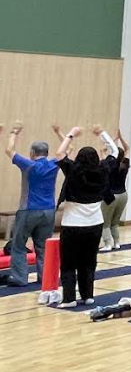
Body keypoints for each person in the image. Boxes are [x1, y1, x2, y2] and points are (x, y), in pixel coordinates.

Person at [0, 121, 69, 288]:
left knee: (18, 245)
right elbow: (67, 150)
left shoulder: (29, 165)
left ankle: (20, 277)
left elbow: (9, 150)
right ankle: (44, 276)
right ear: (47, 152)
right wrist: (60, 132)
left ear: (32, 153)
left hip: (28, 210)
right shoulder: (54, 164)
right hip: (48, 211)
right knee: (43, 246)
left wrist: (14, 133)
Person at [55, 128, 115, 307]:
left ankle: (69, 298)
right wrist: (103, 134)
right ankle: (88, 296)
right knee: (88, 262)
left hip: (72, 225)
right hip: (95, 224)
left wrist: (70, 134)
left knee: (68, 263)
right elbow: (115, 151)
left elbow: (59, 153)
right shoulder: (103, 170)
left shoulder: (73, 171)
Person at [97, 127, 129, 250]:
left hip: (110, 195)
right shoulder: (124, 165)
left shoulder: (108, 164)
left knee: (105, 223)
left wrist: (113, 141)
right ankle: (117, 243)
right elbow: (128, 149)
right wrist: (120, 138)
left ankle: (108, 244)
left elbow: (102, 150)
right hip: (123, 195)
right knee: (115, 222)